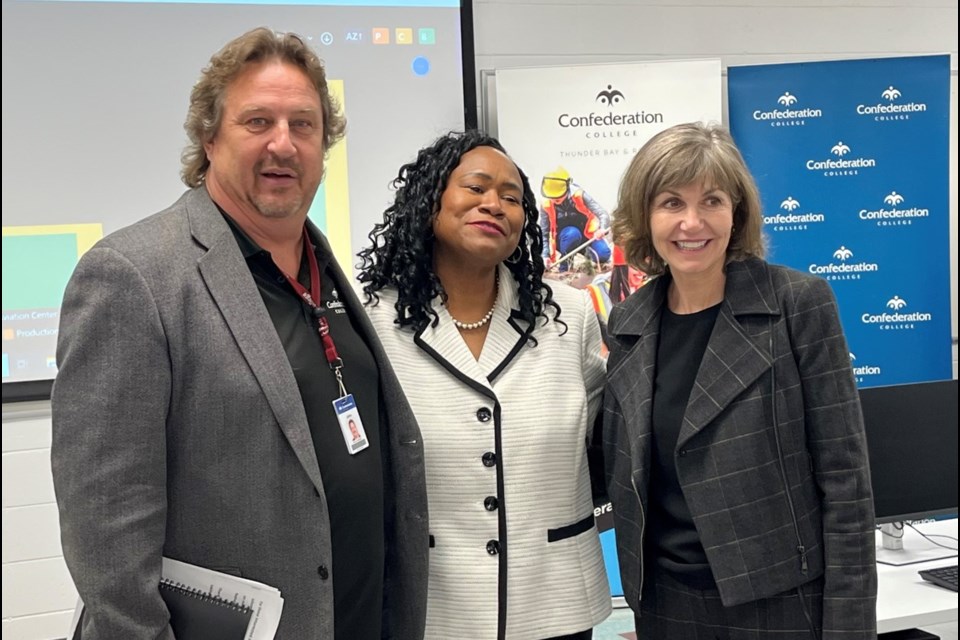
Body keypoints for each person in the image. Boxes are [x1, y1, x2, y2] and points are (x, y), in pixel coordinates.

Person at [50, 27, 428, 640]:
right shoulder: (133, 276)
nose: (283, 143)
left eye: (303, 125)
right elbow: (106, 533)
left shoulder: (322, 268)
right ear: (209, 137)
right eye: (258, 121)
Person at [602, 122, 877, 639]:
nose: (691, 222)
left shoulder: (797, 303)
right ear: (645, 216)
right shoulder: (628, 322)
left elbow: (846, 482)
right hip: (665, 606)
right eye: (670, 203)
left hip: (781, 604)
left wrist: (849, 628)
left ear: (737, 212)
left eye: (711, 201)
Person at [359, 130, 611, 640]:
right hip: (431, 608)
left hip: (555, 600)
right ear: (430, 202)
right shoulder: (370, 324)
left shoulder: (571, 316)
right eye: (475, 188)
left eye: (512, 197)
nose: (494, 204)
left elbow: (603, 441)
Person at [539, 166, 612, 273]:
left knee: (603, 254)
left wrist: (602, 229)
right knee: (573, 234)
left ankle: (583, 251)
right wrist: (544, 256)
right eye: (552, 197)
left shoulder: (579, 195)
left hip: (587, 236)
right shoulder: (546, 204)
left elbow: (603, 214)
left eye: (558, 197)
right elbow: (544, 233)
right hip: (566, 239)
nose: (555, 200)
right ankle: (565, 264)